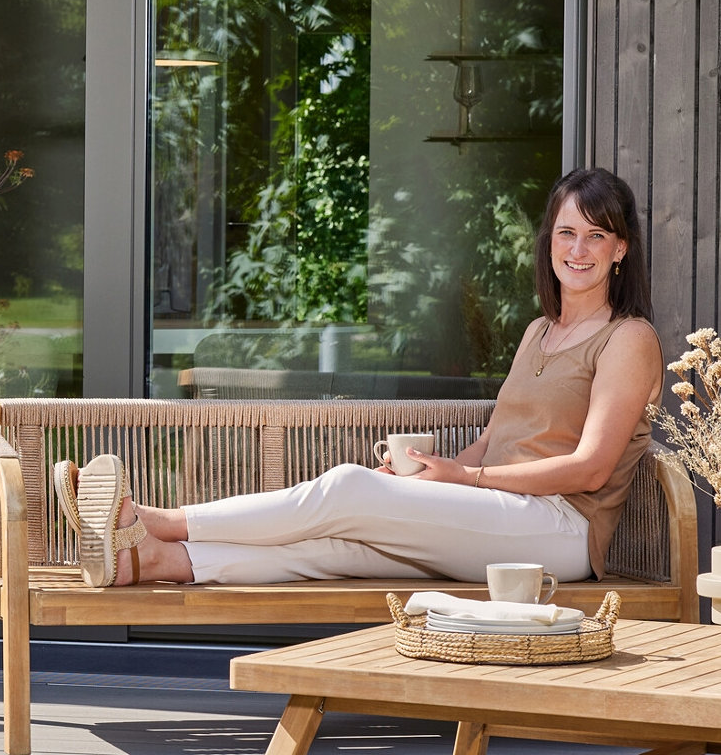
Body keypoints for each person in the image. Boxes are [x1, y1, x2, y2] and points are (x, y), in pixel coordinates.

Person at [56, 168, 664, 591]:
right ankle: (155, 561)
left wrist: (466, 477)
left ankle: (160, 520)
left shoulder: (628, 339)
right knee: (341, 549)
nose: (578, 248)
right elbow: (498, 438)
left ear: (620, 249)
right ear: (549, 241)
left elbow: (590, 468)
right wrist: (429, 474)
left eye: (596, 234)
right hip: (500, 512)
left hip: (559, 531)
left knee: (346, 488)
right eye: (566, 231)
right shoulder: (540, 330)